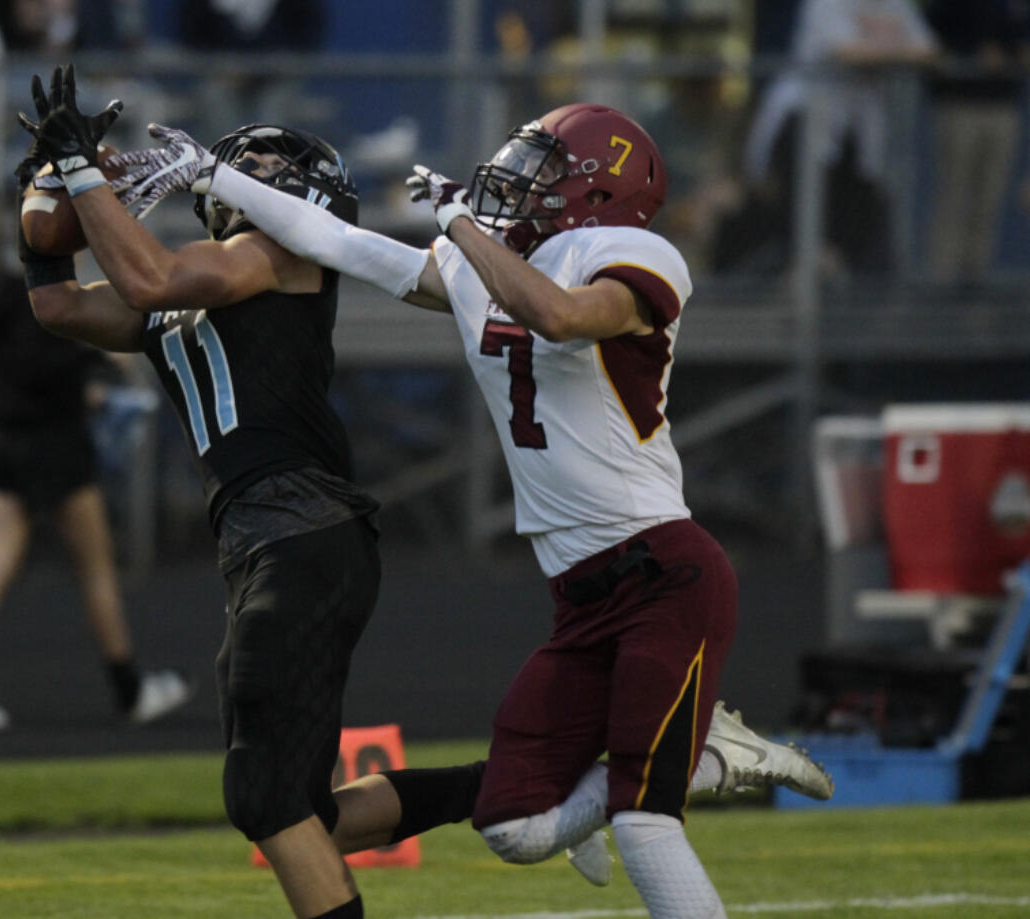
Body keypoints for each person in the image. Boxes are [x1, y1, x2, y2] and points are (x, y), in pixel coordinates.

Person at [112, 99, 835, 916]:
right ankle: (699, 754)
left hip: (664, 569)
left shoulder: (634, 253)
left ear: (600, 190)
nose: (520, 186)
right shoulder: (476, 264)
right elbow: (340, 243)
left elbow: (559, 316)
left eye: (545, 174)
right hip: (579, 593)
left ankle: (676, 768)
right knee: (515, 826)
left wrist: (461, 228)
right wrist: (216, 173)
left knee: (644, 823)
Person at [16, 65, 384, 919]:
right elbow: (59, 301)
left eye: (267, 162)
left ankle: (528, 786)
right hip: (267, 546)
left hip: (305, 532)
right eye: (243, 156)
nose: (250, 166)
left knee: (265, 795)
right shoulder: (193, 276)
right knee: (298, 802)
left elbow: (148, 281)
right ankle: (514, 788)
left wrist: (80, 177)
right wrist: (48, 181)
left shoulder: (280, 253)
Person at [0, 193, 192, 732]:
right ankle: (130, 690)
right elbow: (41, 360)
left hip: (1, 439)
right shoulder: (45, 295)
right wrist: (90, 369)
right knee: (95, 568)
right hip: (51, 441)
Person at [737, 0, 937, 277]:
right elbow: (847, 53)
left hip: (856, 128)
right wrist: (897, 52)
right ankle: (792, 295)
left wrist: (880, 52)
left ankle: (833, 289)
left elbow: (928, 50)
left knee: (858, 228)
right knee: (798, 224)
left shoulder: (894, 4)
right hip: (802, 118)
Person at [925, 0, 1030, 285]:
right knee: (955, 193)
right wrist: (970, 52)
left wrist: (1013, 53)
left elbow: (1018, 39)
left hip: (1003, 103)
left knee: (989, 198)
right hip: (961, 102)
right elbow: (931, 39)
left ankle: (976, 278)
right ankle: (942, 279)